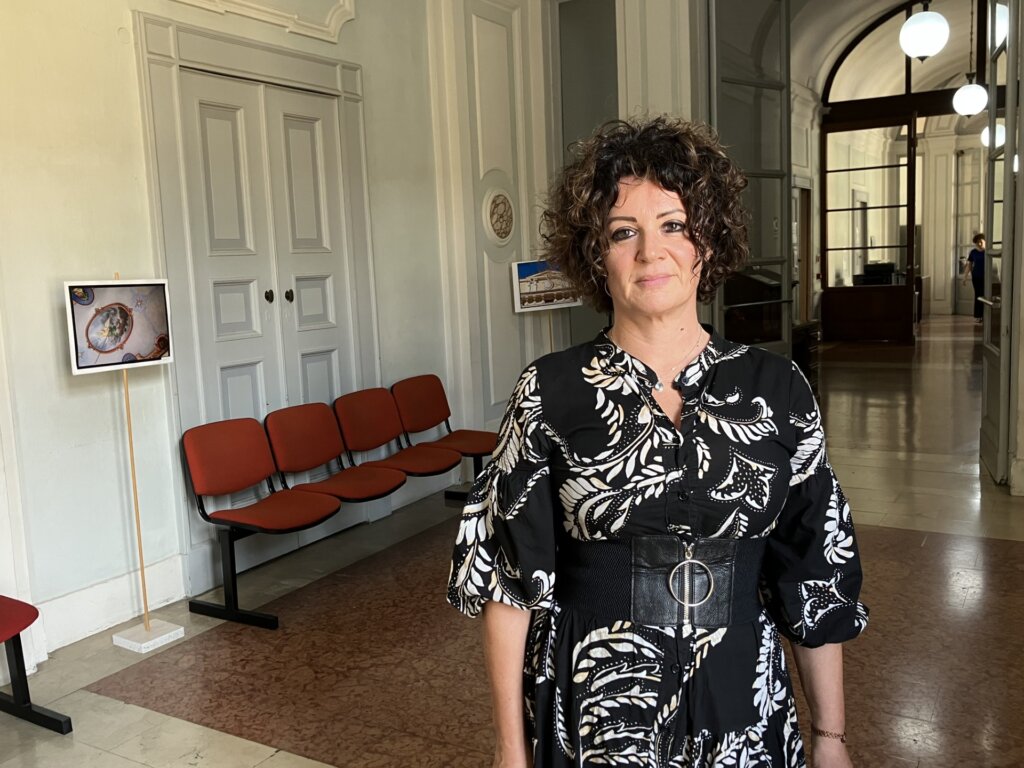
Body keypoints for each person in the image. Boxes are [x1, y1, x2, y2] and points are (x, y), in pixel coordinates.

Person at [446, 116, 868, 768]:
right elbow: (509, 586)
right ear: (596, 255)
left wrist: (830, 737)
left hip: (742, 701)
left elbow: (813, 574)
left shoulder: (777, 390)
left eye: (674, 225)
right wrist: (510, 749)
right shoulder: (549, 392)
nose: (650, 251)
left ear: (709, 241)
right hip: (596, 708)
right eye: (624, 232)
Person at [962, 233, 986, 324]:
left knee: (985, 296)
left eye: (980, 242)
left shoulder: (988, 251)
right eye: (977, 243)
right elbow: (969, 265)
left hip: (986, 278)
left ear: (984, 241)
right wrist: (965, 277)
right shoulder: (973, 252)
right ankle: (978, 316)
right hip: (976, 277)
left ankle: (985, 316)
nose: (979, 244)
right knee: (978, 295)